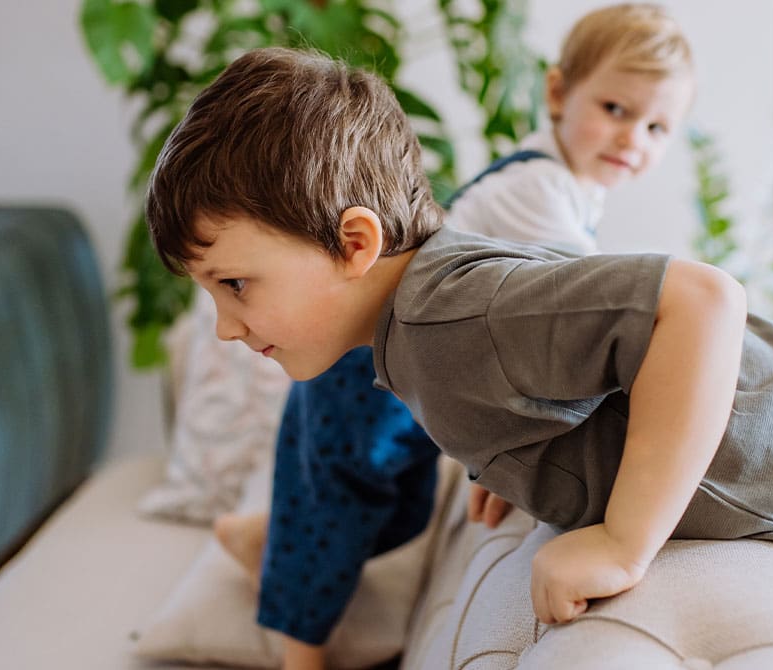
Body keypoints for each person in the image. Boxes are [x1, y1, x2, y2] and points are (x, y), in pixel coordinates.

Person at [146, 45, 773, 670]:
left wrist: (625, 543)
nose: (225, 326)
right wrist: (515, 449)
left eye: (236, 285)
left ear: (355, 242)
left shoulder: (457, 316)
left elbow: (703, 301)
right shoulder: (432, 325)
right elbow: (574, 350)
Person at [209, 4, 697, 667]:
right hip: (371, 361)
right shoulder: (539, 186)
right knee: (339, 503)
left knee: (399, 507)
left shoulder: (570, 186)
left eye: (657, 125)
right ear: (557, 93)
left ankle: (259, 537)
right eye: (614, 108)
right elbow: (576, 315)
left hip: (418, 360)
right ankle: (301, 654)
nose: (632, 137)